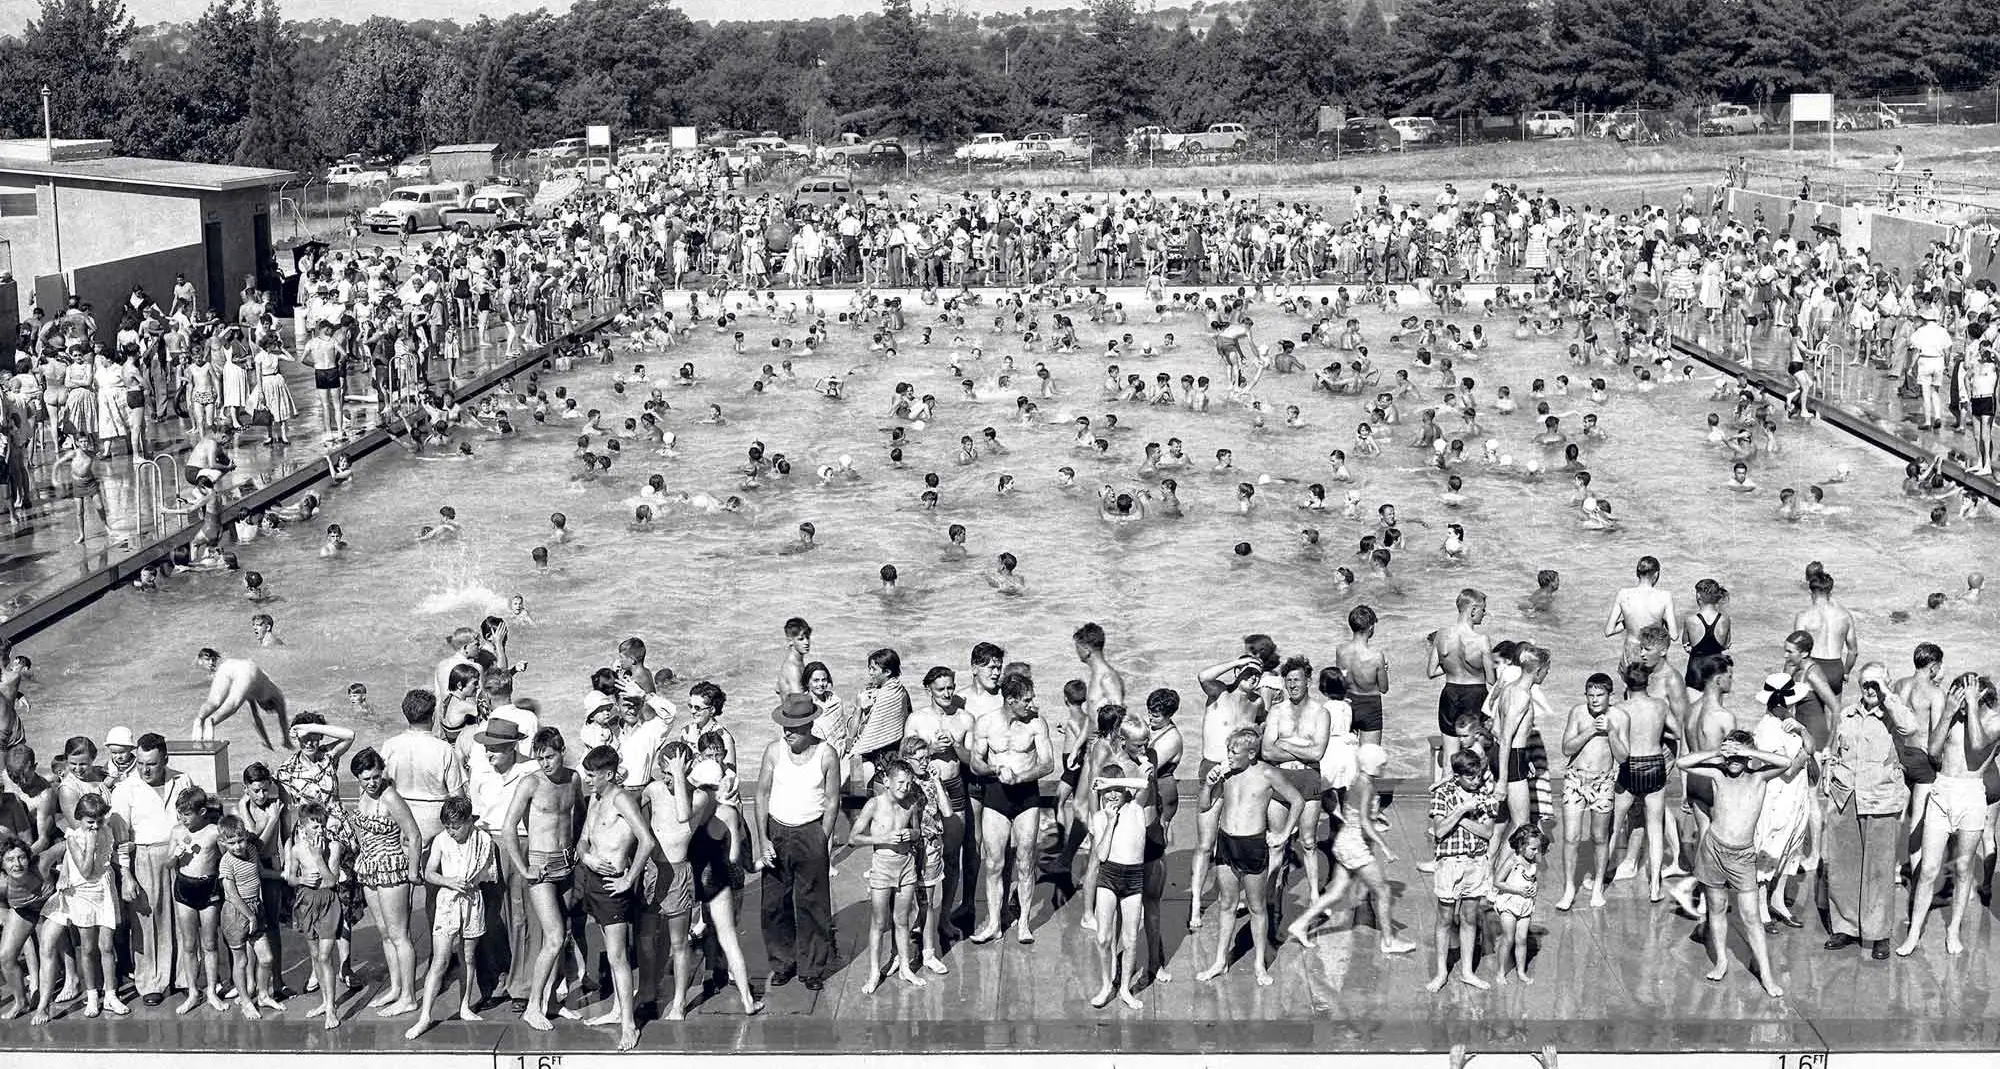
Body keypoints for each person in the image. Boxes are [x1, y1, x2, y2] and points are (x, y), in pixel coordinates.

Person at [1677, 731, 1792, 997]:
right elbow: (1683, 763)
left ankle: (1767, 975)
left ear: (1749, 756)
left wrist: (1747, 751)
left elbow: (1785, 762)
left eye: (1739, 756)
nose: (1734, 762)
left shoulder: (1758, 778)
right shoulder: (1718, 775)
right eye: (1731, 756)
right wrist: (1719, 752)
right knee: (1717, 908)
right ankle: (1721, 961)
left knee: (1751, 917)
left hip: (1742, 857)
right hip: (1713, 850)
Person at [1897, 671, 1998, 957]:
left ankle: (1953, 930)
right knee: (1928, 869)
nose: (1961, 703)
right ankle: (1914, 933)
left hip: (1972, 792)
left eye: (1967, 698)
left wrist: (1971, 704)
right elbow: (1933, 751)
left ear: (1981, 698)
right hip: (1943, 790)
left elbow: (1977, 745)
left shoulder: (1995, 720)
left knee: (1963, 867)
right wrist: (1949, 713)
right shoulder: (1955, 715)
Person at [1195, 727, 1301, 986]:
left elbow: (1297, 800)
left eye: (1234, 752)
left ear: (1251, 754)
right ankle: (1220, 961)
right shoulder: (1226, 773)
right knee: (1227, 904)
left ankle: (1259, 964)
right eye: (1228, 751)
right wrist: (1208, 785)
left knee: (1256, 907)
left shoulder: (1267, 773)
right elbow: (1204, 806)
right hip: (1227, 843)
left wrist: (1283, 834)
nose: (1229, 756)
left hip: (1252, 845)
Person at [1823, 664, 1914, 961]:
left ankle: (1878, 933)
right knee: (1843, 866)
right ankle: (1845, 927)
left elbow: (1911, 728)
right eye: (1866, 684)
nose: (1871, 689)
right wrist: (1829, 775)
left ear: (1886, 684)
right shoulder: (1847, 715)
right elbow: (1836, 751)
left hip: (1881, 800)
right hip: (1846, 798)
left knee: (1879, 870)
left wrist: (1888, 694)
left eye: (1876, 683)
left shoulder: (1894, 715)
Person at [754, 693, 840, 990]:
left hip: (810, 831)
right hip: (777, 831)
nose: (787, 733)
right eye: (785, 727)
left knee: (813, 904)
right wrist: (763, 839)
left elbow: (832, 801)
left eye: (793, 728)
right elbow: (762, 794)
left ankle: (812, 968)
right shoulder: (773, 751)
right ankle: (783, 962)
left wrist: (822, 837)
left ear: (809, 726)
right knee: (773, 904)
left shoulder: (827, 754)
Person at [574, 744, 652, 1051]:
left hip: (613, 886)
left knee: (618, 956)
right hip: (594, 880)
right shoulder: (596, 799)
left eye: (592, 775)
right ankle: (618, 1011)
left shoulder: (621, 799)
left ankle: (629, 1025)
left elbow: (646, 841)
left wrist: (628, 880)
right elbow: (582, 841)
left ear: (608, 774)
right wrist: (588, 859)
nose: (587, 780)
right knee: (611, 951)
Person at [966, 675, 1054, 944]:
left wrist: (1020, 777)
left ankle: (1024, 923)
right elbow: (975, 763)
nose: (1031, 704)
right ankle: (994, 923)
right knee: (994, 863)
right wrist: (994, 769)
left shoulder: (1036, 723)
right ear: (1011, 700)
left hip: (1027, 796)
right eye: (1026, 700)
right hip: (996, 795)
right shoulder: (986, 723)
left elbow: (1047, 764)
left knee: (1026, 861)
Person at [405, 795, 495, 1040]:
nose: (451, 831)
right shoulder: (442, 840)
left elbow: (488, 875)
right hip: (447, 903)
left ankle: (464, 1006)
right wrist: (449, 881)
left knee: (468, 957)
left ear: (469, 821)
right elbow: (429, 873)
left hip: (472, 902)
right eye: (447, 827)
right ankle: (425, 1016)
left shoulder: (483, 840)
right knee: (440, 960)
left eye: (455, 826)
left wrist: (471, 882)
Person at [350, 746, 422, 1016]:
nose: (372, 783)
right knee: (384, 932)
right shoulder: (363, 794)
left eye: (376, 776)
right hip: (370, 867)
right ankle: (396, 988)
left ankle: (409, 997)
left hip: (391, 868)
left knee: (399, 935)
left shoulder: (390, 797)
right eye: (366, 779)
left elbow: (414, 835)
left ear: (383, 773)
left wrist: (413, 871)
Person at [850, 757, 928, 993]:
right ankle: (874, 972)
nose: (905, 788)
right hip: (882, 868)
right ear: (887, 781)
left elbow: (918, 832)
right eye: (901, 783)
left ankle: (905, 967)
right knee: (878, 922)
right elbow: (854, 837)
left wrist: (911, 835)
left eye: (909, 783)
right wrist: (883, 838)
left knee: (902, 920)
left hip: (906, 866)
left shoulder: (911, 804)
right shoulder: (874, 805)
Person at [1426, 749, 1498, 992]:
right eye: (1470, 777)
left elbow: (1487, 832)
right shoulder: (1442, 794)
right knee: (1444, 919)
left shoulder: (1485, 795)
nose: (1476, 781)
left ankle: (1467, 971)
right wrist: (1462, 809)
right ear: (1457, 776)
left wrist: (1458, 818)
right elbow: (1439, 831)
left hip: (1475, 862)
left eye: (1478, 776)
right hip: (1449, 862)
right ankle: (1441, 972)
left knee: (1469, 918)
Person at [193, 649, 291, 750]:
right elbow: (282, 718)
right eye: (266, 709)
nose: (263, 708)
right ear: (269, 704)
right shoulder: (276, 694)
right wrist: (286, 740)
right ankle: (212, 720)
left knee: (214, 701)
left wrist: (267, 743)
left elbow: (255, 719)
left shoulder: (253, 692)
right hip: (248, 671)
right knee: (233, 705)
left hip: (228, 666)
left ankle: (199, 719)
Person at [1491, 825, 1546, 984]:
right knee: (1508, 938)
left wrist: (1534, 887)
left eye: (1538, 849)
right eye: (1533, 849)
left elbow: (1533, 878)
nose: (1536, 852)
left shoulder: (1534, 859)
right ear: (1521, 846)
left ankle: (1521, 971)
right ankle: (1501, 971)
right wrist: (1517, 890)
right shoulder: (1513, 861)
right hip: (1509, 903)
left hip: (1525, 904)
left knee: (1521, 939)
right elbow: (1497, 882)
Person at [1604, 555, 1677, 666]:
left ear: (1637, 573)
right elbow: (1674, 635)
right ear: (1656, 574)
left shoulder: (1623, 594)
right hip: (1652, 652)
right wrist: (1661, 622)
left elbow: (1608, 631)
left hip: (1630, 652)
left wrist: (1628, 622)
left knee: (1630, 677)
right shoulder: (1665, 596)